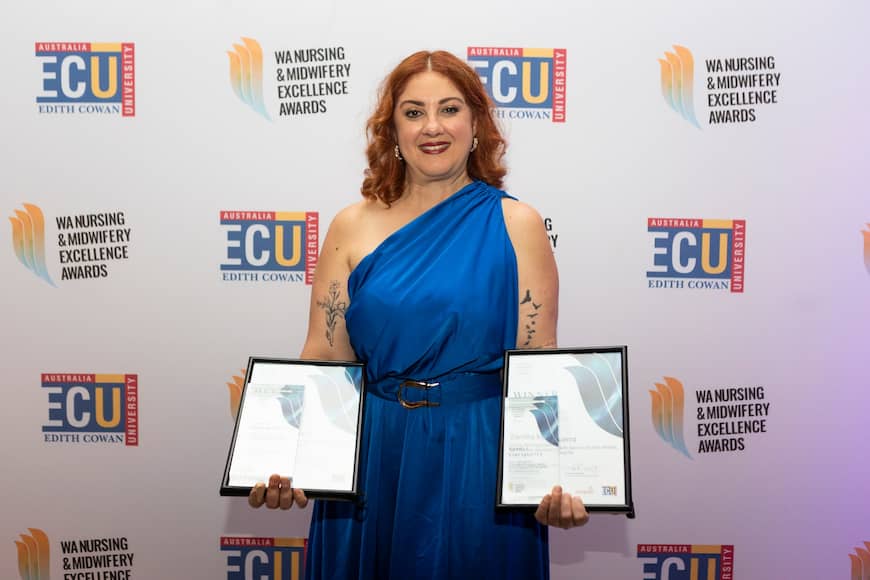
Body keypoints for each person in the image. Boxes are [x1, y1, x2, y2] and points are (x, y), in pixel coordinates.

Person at [248, 49, 589, 579]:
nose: (432, 127)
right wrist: (288, 460)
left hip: (480, 460)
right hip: (371, 457)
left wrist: (557, 476)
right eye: (413, 112)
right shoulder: (351, 226)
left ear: (477, 124)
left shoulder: (518, 225)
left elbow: (537, 364)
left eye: (449, 109)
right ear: (392, 130)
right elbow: (324, 356)